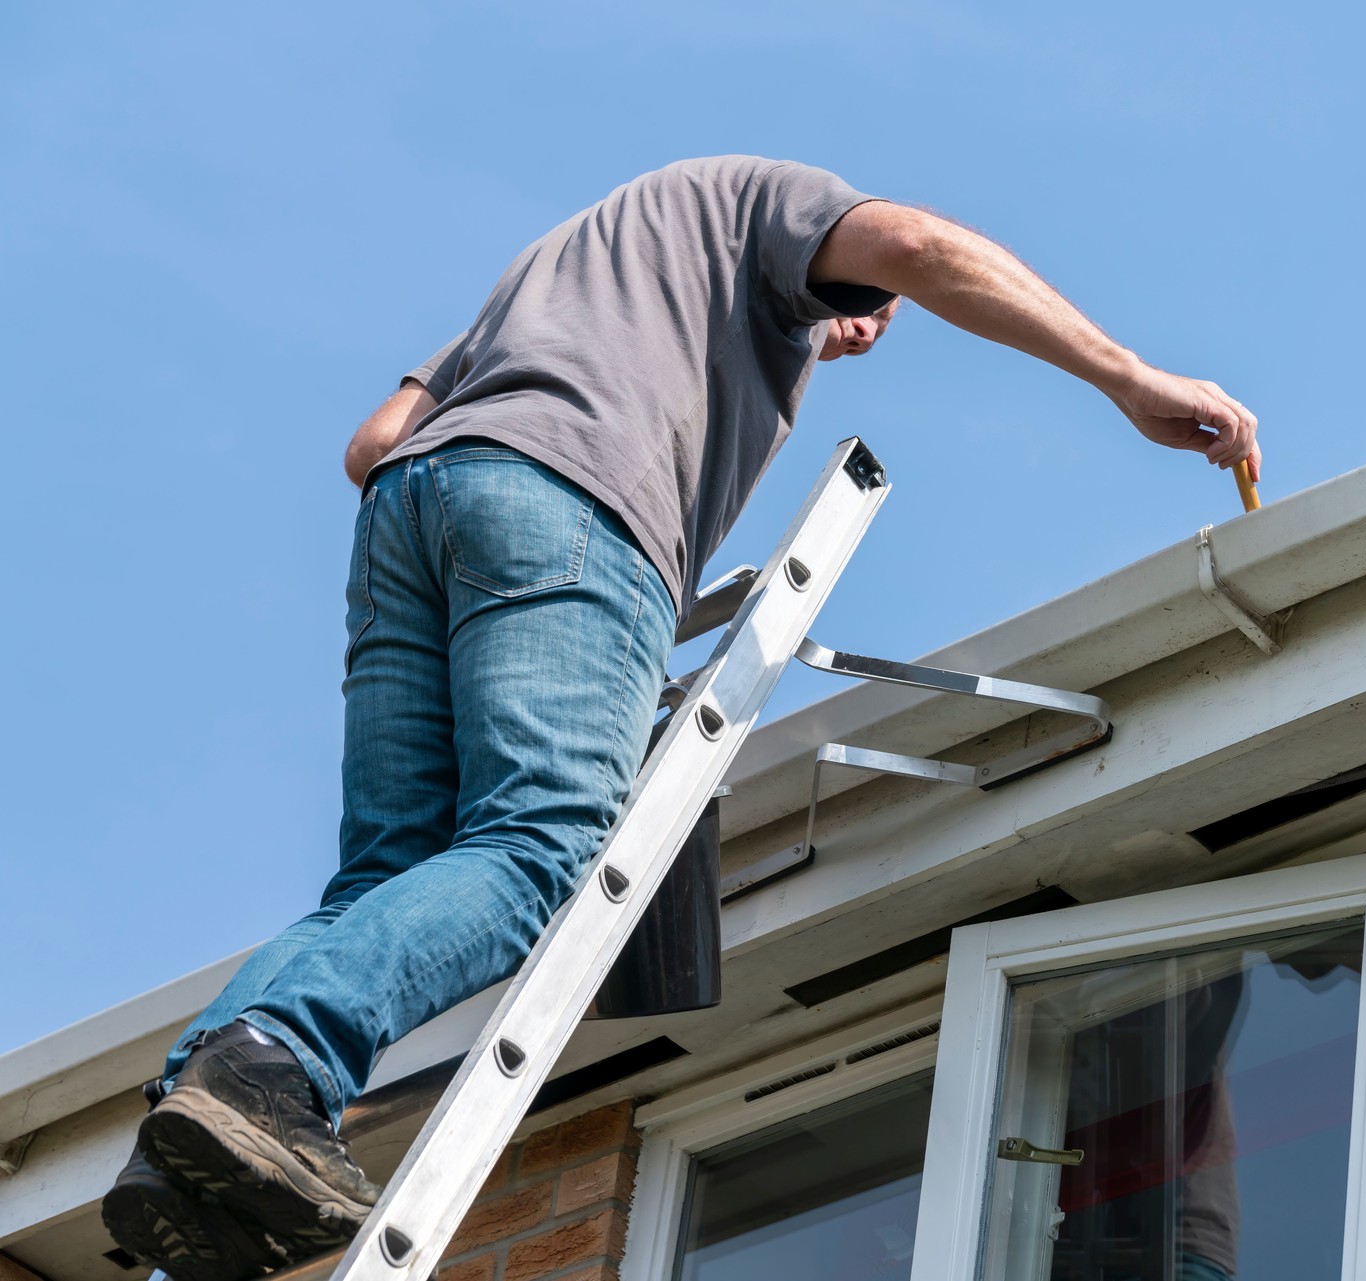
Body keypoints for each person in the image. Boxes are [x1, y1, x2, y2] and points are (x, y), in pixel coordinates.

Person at [101, 155, 1259, 1281]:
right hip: (570, 505)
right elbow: (915, 244)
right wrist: (1131, 378)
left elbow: (375, 444)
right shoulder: (764, 194)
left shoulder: (558, 277)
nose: (868, 316)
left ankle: (207, 1116)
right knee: (538, 846)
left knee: (387, 884)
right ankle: (277, 1055)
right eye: (862, 304)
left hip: (417, 509)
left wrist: (801, 336)